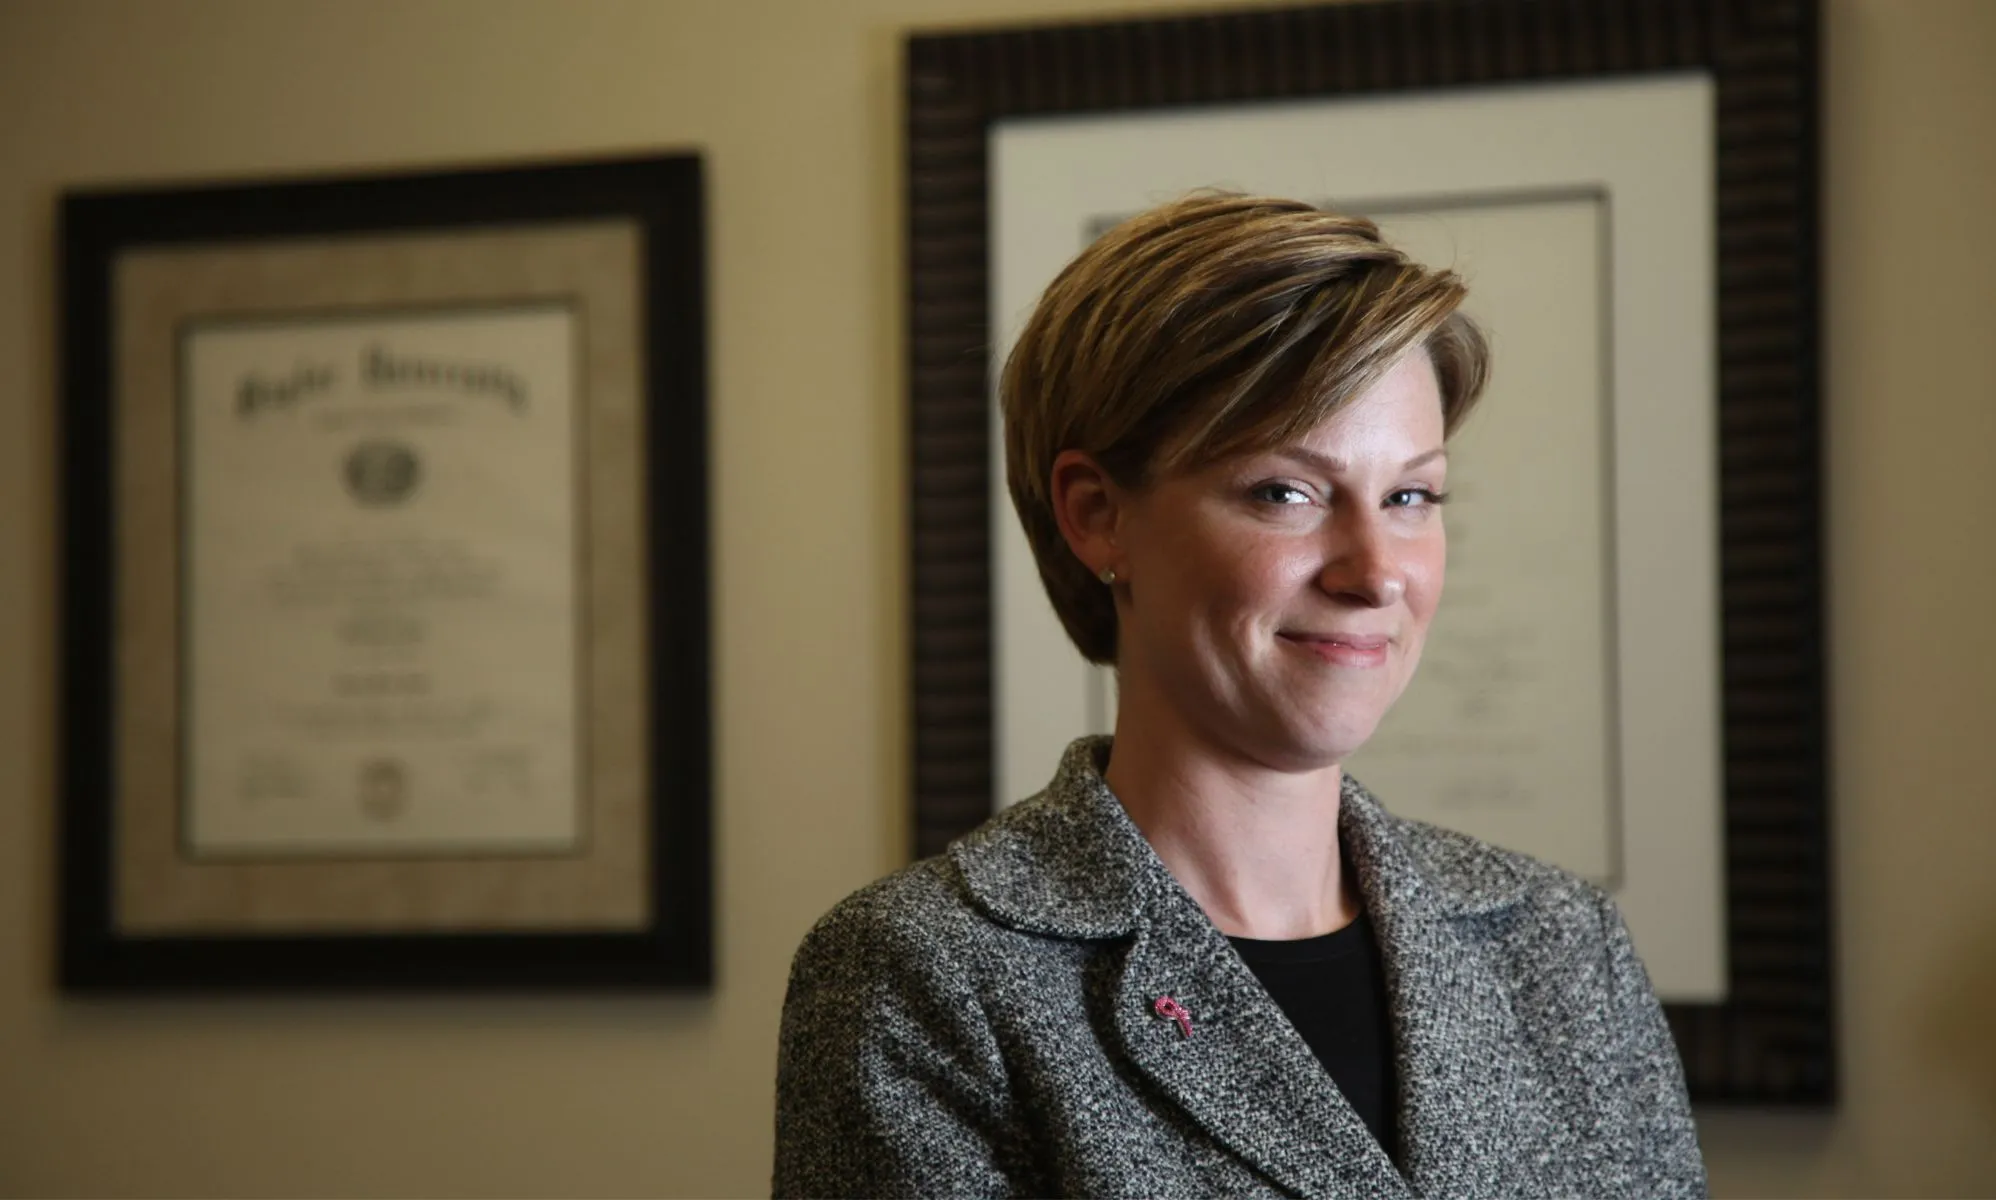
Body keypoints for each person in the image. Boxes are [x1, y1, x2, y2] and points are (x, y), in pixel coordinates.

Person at [773, 193, 1705, 1198]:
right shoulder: (924, 975)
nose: (1374, 572)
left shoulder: (1560, 941)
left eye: (1409, 497)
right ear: (1097, 517)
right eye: (1286, 492)